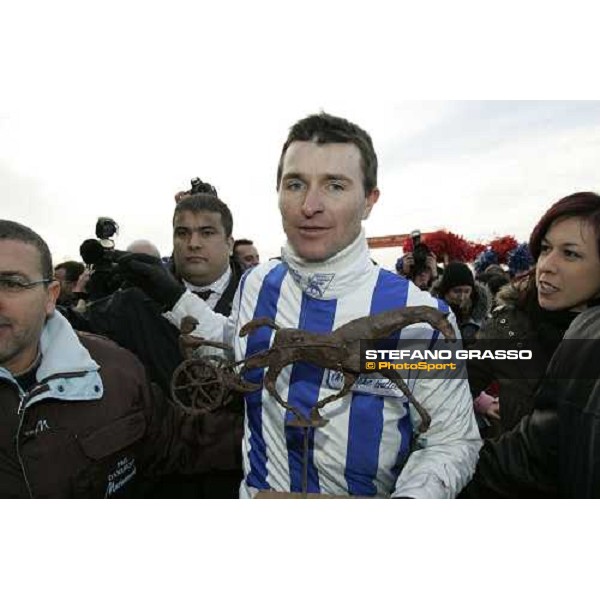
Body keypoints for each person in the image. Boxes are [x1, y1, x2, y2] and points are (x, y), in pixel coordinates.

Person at [120, 112, 481, 499]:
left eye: (335, 186)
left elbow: (451, 440)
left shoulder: (422, 317)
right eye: (296, 184)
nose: (310, 205)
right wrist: (175, 301)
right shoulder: (255, 284)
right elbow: (240, 351)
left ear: (369, 201)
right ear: (278, 193)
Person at [0, 220, 237, 498]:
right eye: (183, 232)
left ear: (50, 296)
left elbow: (185, 440)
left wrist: (281, 434)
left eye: (11, 283)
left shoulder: (115, 371)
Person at [63, 193, 245, 498]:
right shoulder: (133, 301)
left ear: (229, 242)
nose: (193, 243)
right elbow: (67, 330)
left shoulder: (263, 300)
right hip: (158, 481)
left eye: (207, 232)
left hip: (240, 475)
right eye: (182, 232)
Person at [467, 191, 600, 435]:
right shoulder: (508, 327)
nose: (546, 265)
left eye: (570, 253)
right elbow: (453, 386)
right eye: (546, 249)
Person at [462, 302, 600, 498]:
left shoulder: (589, 331)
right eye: (535, 267)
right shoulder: (507, 325)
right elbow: (459, 382)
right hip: (509, 481)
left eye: (575, 267)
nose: (546, 269)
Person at [432, 262, 491, 345]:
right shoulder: (431, 317)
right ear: (445, 292)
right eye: (457, 291)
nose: (462, 297)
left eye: (467, 291)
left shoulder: (483, 319)